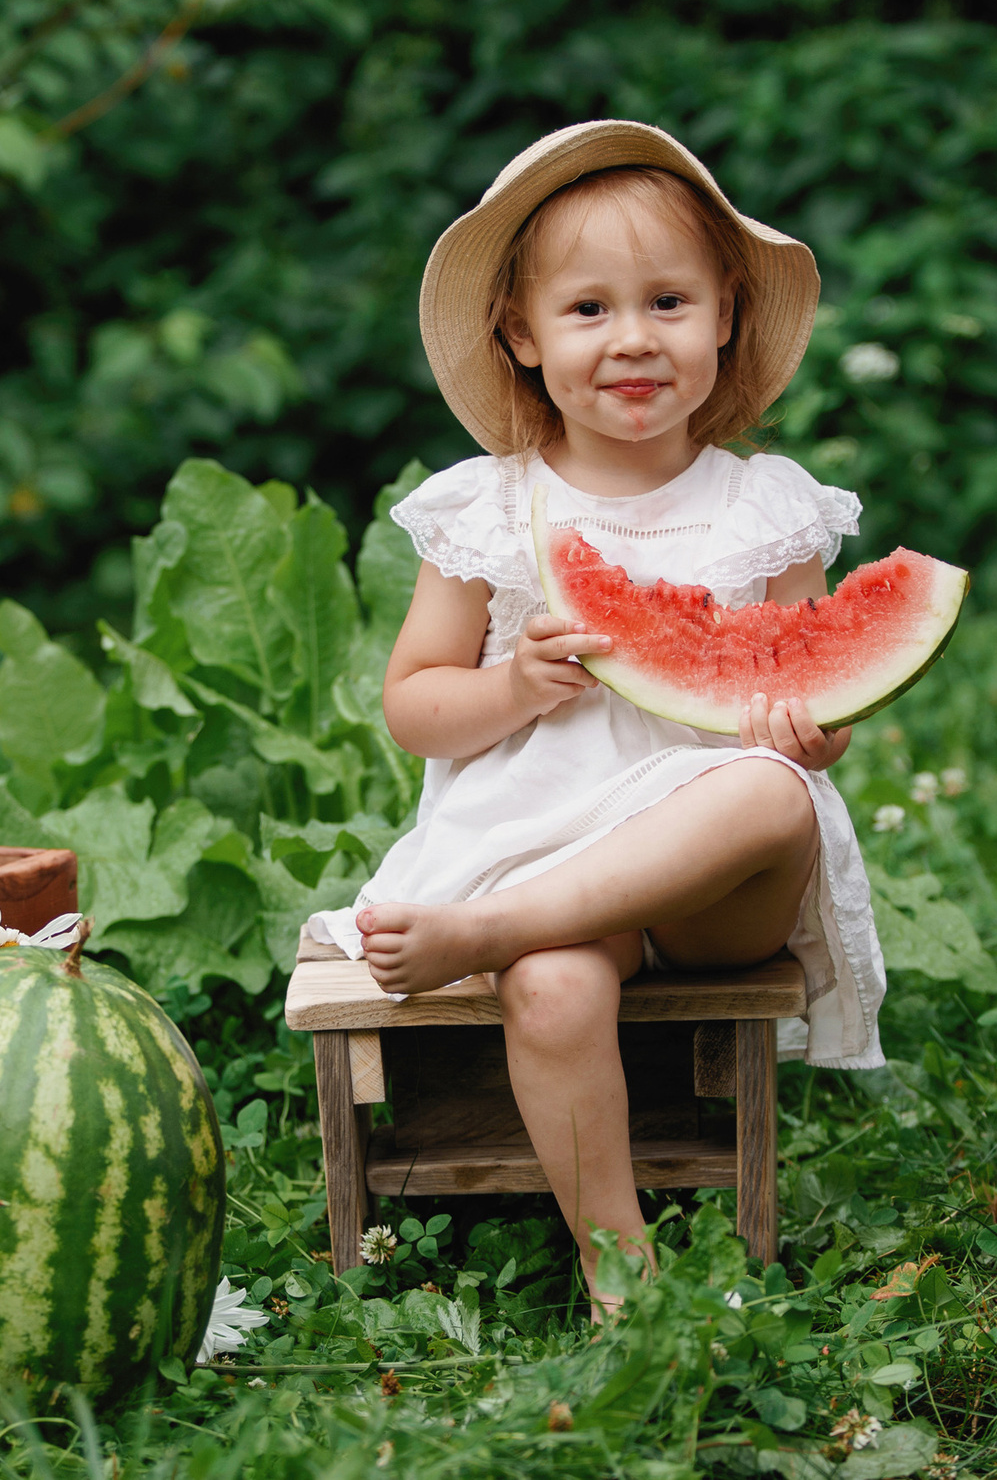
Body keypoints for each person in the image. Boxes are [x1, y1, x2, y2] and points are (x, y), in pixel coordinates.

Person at [310, 120, 887, 1314]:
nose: (633, 339)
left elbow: (804, 696)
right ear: (522, 335)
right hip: (544, 843)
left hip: (716, 877)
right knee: (558, 987)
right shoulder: (487, 509)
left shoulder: (767, 506)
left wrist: (812, 735)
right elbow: (415, 707)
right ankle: (620, 1270)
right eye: (588, 311)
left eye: (668, 301)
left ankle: (496, 929)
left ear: (725, 316)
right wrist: (513, 687)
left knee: (772, 791)